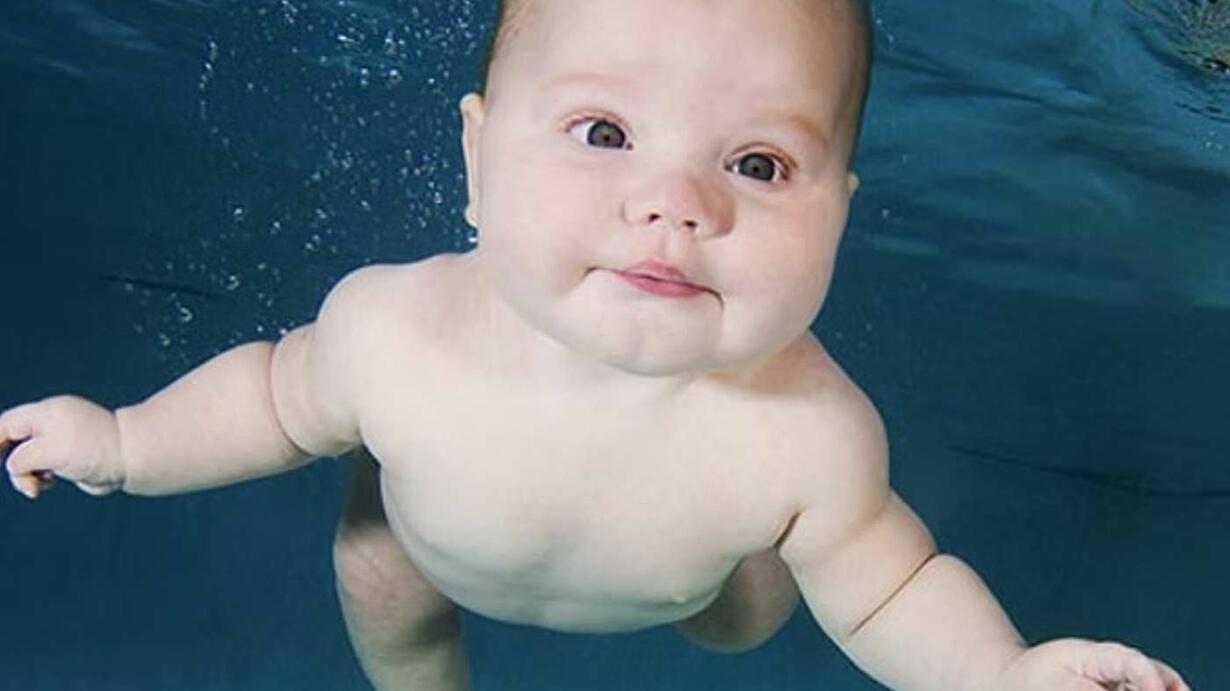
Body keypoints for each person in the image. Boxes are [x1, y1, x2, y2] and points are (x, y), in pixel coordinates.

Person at [0, 1, 1192, 690]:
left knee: (748, 613)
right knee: (380, 582)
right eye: (605, 132)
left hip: (693, 577)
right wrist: (128, 443)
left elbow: (894, 589)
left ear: (838, 213)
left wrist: (998, 673)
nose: (675, 202)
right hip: (430, 549)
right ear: (476, 162)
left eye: (759, 162)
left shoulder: (813, 437)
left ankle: (744, 577)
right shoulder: (390, 331)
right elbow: (270, 398)